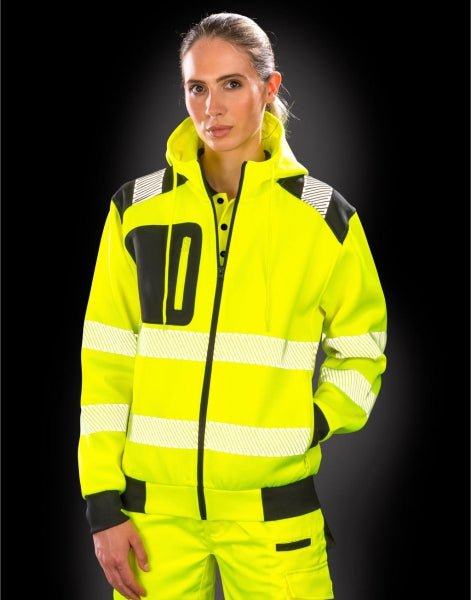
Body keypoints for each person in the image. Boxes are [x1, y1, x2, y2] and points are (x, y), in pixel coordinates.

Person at [78, 11, 387, 600]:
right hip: (153, 522)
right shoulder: (135, 212)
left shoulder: (324, 219)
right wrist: (102, 506)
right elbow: (106, 363)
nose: (211, 108)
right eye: (197, 87)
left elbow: (364, 350)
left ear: (269, 89)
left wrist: (310, 422)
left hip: (274, 518)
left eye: (232, 84)